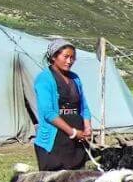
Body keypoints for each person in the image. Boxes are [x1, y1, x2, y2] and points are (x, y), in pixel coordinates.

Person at [33, 38, 92, 170]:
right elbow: (48, 112)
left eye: (72, 58)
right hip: (55, 141)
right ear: (54, 57)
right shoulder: (44, 79)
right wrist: (72, 132)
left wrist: (87, 128)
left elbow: (84, 107)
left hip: (76, 140)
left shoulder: (75, 78)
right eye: (65, 57)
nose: (69, 61)